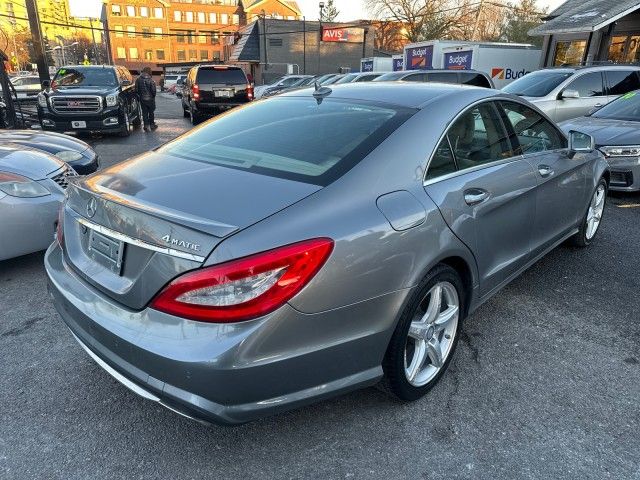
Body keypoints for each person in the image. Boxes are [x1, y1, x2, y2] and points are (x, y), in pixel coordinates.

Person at [135, 66, 157, 131]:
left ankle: (146, 126)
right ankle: (152, 125)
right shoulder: (151, 79)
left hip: (142, 99)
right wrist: (153, 96)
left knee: (144, 113)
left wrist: (139, 96)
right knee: (151, 112)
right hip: (150, 99)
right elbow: (153, 90)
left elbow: (136, 90)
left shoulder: (138, 79)